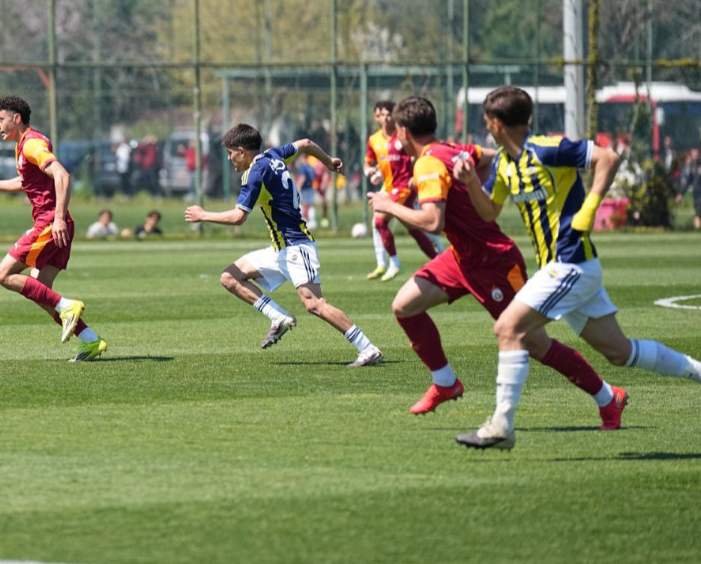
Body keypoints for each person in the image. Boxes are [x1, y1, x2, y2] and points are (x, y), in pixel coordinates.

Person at [453, 87, 701, 449]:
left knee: (508, 327)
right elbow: (489, 211)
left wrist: (589, 210)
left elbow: (608, 159)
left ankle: (501, 427)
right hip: (563, 269)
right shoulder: (507, 165)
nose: (485, 126)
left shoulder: (547, 148)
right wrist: (472, 182)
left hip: (570, 264)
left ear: (496, 122)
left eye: (487, 120)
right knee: (620, 352)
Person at [368, 96, 624, 426]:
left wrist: (389, 205)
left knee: (534, 343)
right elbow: (490, 156)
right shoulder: (453, 149)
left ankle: (608, 397)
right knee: (405, 305)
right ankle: (446, 382)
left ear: (403, 132)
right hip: (461, 258)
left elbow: (433, 221)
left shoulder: (428, 163)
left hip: (495, 262)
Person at [184, 123, 383, 368]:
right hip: (281, 249)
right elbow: (306, 143)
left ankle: (367, 347)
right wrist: (328, 160)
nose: (229, 159)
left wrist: (203, 215)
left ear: (242, 151)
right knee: (230, 276)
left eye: (230, 153)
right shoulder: (273, 155)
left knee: (315, 304)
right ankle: (278, 316)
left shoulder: (255, 172)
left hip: (296, 247)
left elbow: (238, 217)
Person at [0, 95, 107, 361]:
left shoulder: (32, 144)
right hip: (58, 222)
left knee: (3, 274)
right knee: (42, 291)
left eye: (0, 119)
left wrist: (57, 218)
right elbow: (26, 181)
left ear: (16, 118)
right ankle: (91, 341)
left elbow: (62, 175)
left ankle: (68, 305)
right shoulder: (24, 144)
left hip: (50, 222)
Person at [363, 100, 442, 281]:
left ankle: (394, 263)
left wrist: (416, 174)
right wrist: (371, 172)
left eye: (388, 114)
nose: (384, 118)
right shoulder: (374, 140)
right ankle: (438, 259)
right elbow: (369, 162)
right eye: (380, 114)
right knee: (414, 227)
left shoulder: (403, 137)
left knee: (379, 221)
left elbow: (418, 156)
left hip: (405, 187)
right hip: (389, 188)